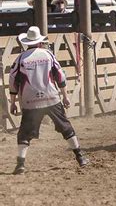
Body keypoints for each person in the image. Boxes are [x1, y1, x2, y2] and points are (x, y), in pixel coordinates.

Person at [9, 26, 89, 175]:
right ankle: (80, 157)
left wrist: (13, 102)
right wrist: (65, 96)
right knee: (65, 126)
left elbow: (13, 79)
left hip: (30, 101)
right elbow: (60, 75)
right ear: (40, 42)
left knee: (24, 133)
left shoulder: (21, 59)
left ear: (26, 43)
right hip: (51, 97)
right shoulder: (48, 54)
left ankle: (20, 164)